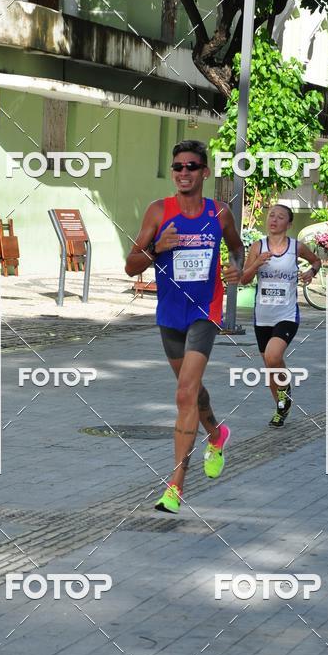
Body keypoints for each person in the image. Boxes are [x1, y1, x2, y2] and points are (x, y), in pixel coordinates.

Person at [125, 139, 244, 513]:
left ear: (205, 172)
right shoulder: (159, 212)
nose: (183, 173)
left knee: (183, 394)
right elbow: (131, 265)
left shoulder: (220, 213)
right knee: (190, 392)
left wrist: (237, 268)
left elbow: (237, 248)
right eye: (177, 167)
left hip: (205, 311)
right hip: (170, 314)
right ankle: (216, 433)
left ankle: (175, 486)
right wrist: (157, 246)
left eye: (191, 166)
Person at [240, 204, 321, 426]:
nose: (274, 220)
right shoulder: (258, 246)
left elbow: (316, 261)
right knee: (270, 367)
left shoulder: (296, 247)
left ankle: (285, 392)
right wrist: (256, 263)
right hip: (262, 316)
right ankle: (281, 407)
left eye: (280, 217)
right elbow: (243, 279)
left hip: (286, 314)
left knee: (273, 356)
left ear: (289, 224)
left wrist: (310, 272)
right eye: (271, 215)